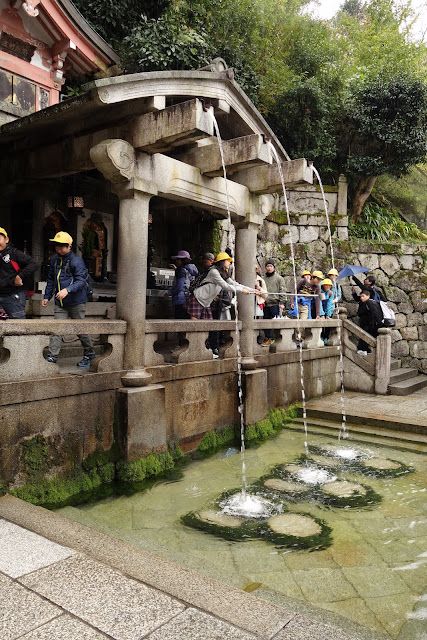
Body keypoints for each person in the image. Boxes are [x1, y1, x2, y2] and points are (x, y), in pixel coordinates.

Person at [42, 232, 95, 367]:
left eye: (62, 246)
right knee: (57, 328)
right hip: (60, 303)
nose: (59, 249)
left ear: (69, 246)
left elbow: (81, 281)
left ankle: (89, 354)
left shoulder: (76, 261)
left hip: (76, 301)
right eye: (57, 246)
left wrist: (67, 290)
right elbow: (51, 279)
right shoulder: (54, 259)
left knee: (80, 329)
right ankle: (53, 356)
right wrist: (47, 296)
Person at [185, 251, 256, 321]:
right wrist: (241, 290)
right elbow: (225, 286)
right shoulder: (214, 272)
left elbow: (234, 283)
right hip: (198, 298)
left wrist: (251, 289)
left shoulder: (223, 273)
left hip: (206, 302)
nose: (230, 262)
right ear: (222, 261)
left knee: (207, 323)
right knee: (194, 322)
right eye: (228, 261)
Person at [0, 226, 37, 319]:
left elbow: (33, 263)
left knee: (18, 326)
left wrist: (20, 276)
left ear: (6, 239)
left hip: (13, 296)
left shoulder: (14, 253)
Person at [262, 259, 286, 346]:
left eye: (271, 266)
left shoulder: (279, 278)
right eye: (267, 266)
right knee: (265, 322)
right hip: (265, 303)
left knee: (275, 323)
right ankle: (267, 338)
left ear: (274, 267)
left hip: (275, 303)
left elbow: (282, 290)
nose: (269, 268)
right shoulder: (263, 279)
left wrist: (282, 302)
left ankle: (277, 339)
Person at [169, 250, 198, 319]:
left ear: (183, 260)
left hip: (180, 299)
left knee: (179, 319)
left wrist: (169, 293)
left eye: (178, 259)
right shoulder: (191, 270)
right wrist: (176, 269)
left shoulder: (181, 270)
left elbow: (179, 286)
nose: (176, 261)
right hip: (188, 298)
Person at [355, 289, 384, 355]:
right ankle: (366, 350)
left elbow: (375, 314)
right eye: (360, 297)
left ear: (368, 296)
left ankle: (363, 349)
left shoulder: (369, 303)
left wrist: (373, 324)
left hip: (373, 324)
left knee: (364, 335)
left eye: (363, 296)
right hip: (375, 324)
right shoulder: (373, 302)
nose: (361, 298)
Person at [320, 278, 334, 344]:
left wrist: (328, 314)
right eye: (326, 285)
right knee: (321, 325)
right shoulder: (319, 291)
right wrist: (322, 314)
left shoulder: (330, 293)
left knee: (328, 324)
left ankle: (326, 337)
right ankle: (321, 337)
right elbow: (319, 303)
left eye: (329, 285)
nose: (328, 287)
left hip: (326, 309)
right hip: (318, 309)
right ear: (323, 285)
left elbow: (329, 304)